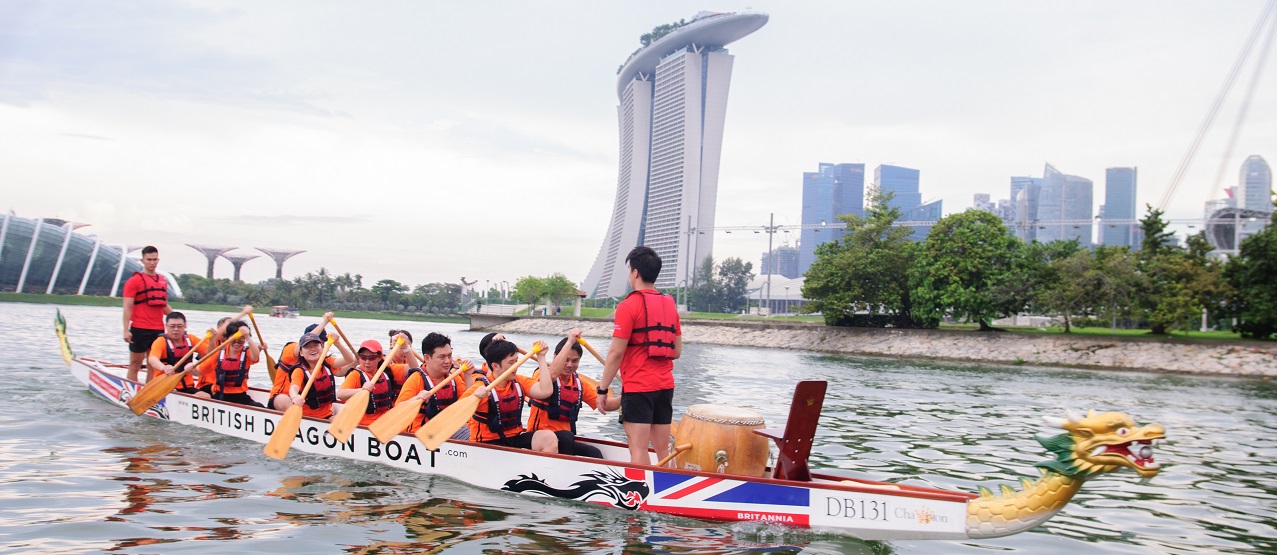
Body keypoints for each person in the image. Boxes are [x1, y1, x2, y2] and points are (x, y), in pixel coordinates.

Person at [598, 246, 682, 465]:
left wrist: (602, 389)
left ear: (635, 272)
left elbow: (616, 353)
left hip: (639, 388)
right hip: (665, 387)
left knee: (638, 448)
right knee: (663, 450)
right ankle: (666, 494)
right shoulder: (670, 306)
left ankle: (640, 495)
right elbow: (677, 351)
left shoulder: (628, 306)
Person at [527, 329, 620, 458]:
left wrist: (628, 394)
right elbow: (552, 376)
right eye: (566, 359)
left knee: (594, 453)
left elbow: (606, 405)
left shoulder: (579, 383)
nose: (569, 365)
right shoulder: (542, 374)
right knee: (566, 437)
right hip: (540, 439)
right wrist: (570, 341)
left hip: (564, 440)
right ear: (556, 357)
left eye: (575, 361)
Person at [463, 339, 558, 452]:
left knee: (549, 438)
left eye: (516, 361)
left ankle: (540, 469)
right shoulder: (480, 387)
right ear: (495, 366)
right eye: (511, 362)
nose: (516, 366)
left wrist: (541, 357)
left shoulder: (519, 382)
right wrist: (474, 397)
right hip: (486, 444)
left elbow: (545, 391)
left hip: (513, 439)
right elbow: (459, 413)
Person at [394, 333, 475, 436]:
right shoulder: (416, 379)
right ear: (427, 358)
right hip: (420, 435)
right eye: (442, 357)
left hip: (446, 432)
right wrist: (417, 398)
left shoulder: (454, 380)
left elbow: (469, 405)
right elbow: (397, 411)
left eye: (450, 356)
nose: (447, 361)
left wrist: (468, 375)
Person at [121, 246, 172, 382]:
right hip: (139, 328)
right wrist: (126, 330)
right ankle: (131, 391)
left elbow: (164, 305)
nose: (152, 263)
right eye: (149, 259)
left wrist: (177, 318)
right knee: (135, 363)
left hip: (158, 330)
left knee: (153, 365)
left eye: (155, 260)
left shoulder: (162, 281)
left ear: (158, 260)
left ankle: (148, 393)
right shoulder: (134, 281)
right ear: (142, 260)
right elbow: (127, 307)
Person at [284, 328, 356, 419]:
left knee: (346, 419)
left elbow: (349, 359)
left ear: (322, 347)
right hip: (306, 418)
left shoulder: (327, 362)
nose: (313, 349)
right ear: (301, 353)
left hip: (326, 416)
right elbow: (294, 387)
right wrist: (295, 397)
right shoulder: (299, 370)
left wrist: (338, 344)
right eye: (308, 347)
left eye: (315, 345)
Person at [268, 314, 333, 411]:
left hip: (304, 402)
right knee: (287, 401)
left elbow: (342, 369)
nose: (314, 349)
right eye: (310, 345)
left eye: (319, 344)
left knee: (333, 407)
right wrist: (324, 322)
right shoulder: (290, 348)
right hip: (282, 397)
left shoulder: (322, 361)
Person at [194, 320, 264, 407]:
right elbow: (199, 372)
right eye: (234, 339)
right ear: (227, 338)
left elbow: (255, 356)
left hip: (240, 396)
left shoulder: (246, 353)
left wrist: (247, 336)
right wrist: (190, 369)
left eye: (241, 340)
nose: (237, 343)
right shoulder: (218, 353)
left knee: (259, 406)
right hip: (220, 395)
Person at [146, 311, 210, 398]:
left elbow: (209, 353)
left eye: (179, 326)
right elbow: (152, 359)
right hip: (165, 385)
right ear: (166, 327)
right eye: (172, 326)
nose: (176, 329)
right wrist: (163, 367)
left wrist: (213, 339)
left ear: (185, 326)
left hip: (187, 386)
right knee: (174, 393)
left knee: (206, 396)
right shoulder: (161, 341)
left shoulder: (191, 339)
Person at [336, 340, 399, 426]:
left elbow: (412, 368)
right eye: (363, 357)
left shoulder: (386, 372)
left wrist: (406, 348)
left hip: (385, 421)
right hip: (364, 423)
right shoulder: (355, 374)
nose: (367, 362)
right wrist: (361, 390)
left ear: (379, 358)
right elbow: (340, 394)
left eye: (371, 358)